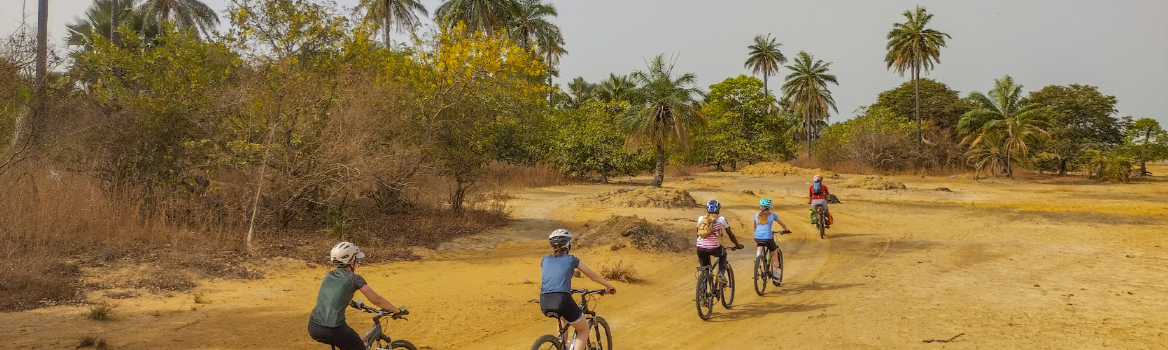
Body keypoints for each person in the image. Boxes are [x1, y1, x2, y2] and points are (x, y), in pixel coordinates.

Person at [308, 242, 404, 350]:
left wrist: (353, 303)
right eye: (356, 259)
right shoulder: (355, 279)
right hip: (333, 328)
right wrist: (397, 310)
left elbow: (334, 295)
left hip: (313, 327)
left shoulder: (329, 276)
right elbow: (377, 300)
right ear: (351, 261)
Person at [541, 229, 617, 350]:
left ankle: (561, 346)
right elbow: (593, 276)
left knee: (563, 318)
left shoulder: (545, 260)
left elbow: (553, 277)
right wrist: (609, 286)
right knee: (583, 329)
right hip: (562, 299)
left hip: (544, 301)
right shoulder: (572, 259)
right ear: (568, 244)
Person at [696, 200, 744, 283]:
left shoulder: (701, 219)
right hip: (713, 247)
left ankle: (703, 290)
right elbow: (731, 235)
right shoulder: (721, 219)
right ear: (718, 209)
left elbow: (698, 233)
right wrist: (737, 245)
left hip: (700, 247)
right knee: (723, 254)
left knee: (705, 269)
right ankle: (721, 275)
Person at [753, 198, 790, 285]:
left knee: (760, 244)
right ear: (770, 207)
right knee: (774, 253)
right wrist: (786, 229)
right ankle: (775, 276)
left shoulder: (756, 215)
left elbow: (755, 228)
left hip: (757, 237)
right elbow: (782, 224)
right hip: (768, 237)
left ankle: (758, 259)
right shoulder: (773, 215)